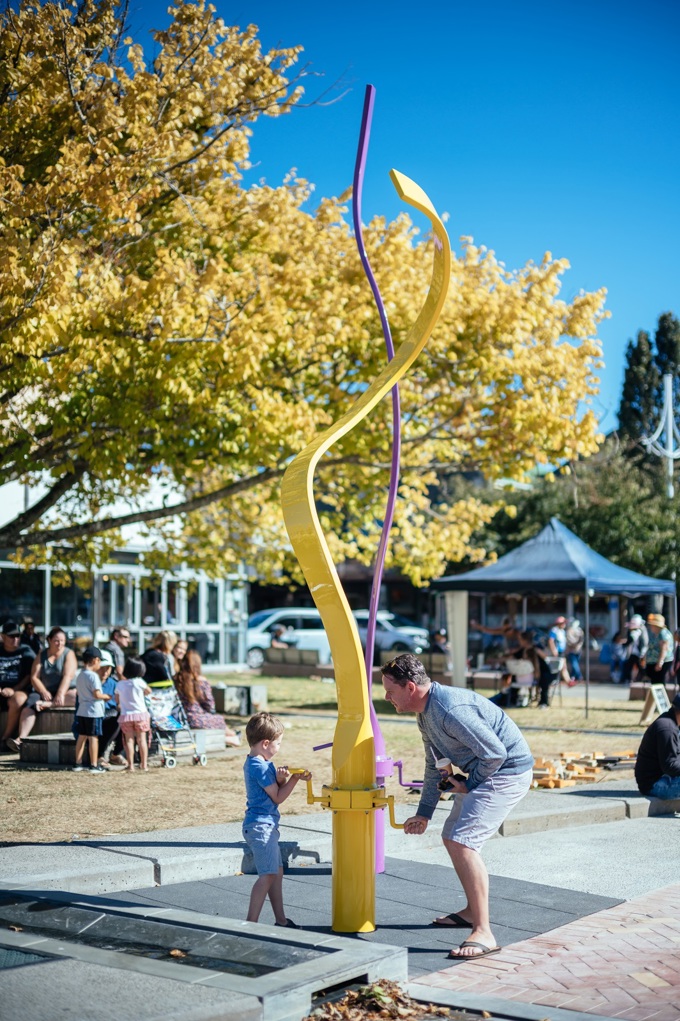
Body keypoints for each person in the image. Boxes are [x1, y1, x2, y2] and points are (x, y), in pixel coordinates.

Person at [381, 654, 533, 960]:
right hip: (489, 768)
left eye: (389, 690)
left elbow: (495, 754)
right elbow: (434, 764)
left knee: (462, 841)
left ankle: (484, 932)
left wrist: (469, 783)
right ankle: (470, 911)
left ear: (410, 687)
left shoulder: (450, 711)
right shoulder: (425, 713)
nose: (386, 697)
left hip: (506, 772)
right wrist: (424, 812)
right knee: (452, 834)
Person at [242, 711, 311, 927]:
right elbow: (278, 797)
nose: (278, 747)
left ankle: (281, 920)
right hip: (260, 827)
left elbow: (272, 791)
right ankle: (250, 924)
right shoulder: (259, 766)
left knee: (276, 873)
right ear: (265, 743)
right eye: (278, 743)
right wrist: (294, 780)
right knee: (268, 875)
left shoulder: (259, 763)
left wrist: (281, 778)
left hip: (264, 825)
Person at [8, 627, 78, 753]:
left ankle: (49, 705)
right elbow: (34, 676)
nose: (60, 644)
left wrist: (60, 694)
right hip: (44, 691)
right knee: (30, 705)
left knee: (75, 696)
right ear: (49, 640)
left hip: (64, 690)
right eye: (56, 640)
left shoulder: (69, 654)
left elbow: (68, 676)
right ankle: (20, 739)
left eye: (62, 641)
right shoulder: (42, 654)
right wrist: (43, 691)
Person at [174, 650, 240, 746]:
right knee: (219, 719)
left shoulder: (177, 679)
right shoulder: (200, 681)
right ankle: (232, 736)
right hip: (196, 719)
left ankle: (231, 736)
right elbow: (210, 705)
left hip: (180, 718)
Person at [635, 692, 680, 800]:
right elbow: (669, 766)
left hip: (665, 777)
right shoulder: (667, 729)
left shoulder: (673, 723)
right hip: (654, 784)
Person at [72, 646, 109, 773]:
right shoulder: (93, 676)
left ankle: (78, 763)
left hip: (82, 709)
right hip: (93, 710)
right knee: (94, 738)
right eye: (100, 661)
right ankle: (93, 765)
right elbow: (97, 695)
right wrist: (107, 696)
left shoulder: (80, 674)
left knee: (82, 737)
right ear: (95, 660)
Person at [0, 620, 36, 749]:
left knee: (18, 699)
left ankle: (5, 739)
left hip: (18, 690)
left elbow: (30, 675)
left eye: (17, 636)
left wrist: (13, 689)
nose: (15, 639)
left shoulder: (26, 651)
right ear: (2, 636)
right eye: (11, 636)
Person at [116, 656, 152, 772]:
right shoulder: (139, 682)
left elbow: (117, 699)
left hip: (126, 715)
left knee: (129, 741)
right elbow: (148, 691)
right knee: (142, 740)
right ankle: (144, 764)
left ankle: (131, 765)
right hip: (140, 714)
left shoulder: (120, 684)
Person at [97, 649, 127, 769]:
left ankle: (116, 754)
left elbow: (120, 704)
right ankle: (99, 756)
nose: (105, 671)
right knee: (116, 722)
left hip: (112, 715)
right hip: (94, 718)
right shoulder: (90, 681)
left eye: (108, 668)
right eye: (102, 667)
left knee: (127, 720)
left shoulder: (114, 683)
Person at [642, 613, 674, 687]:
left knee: (659, 683)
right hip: (654, 662)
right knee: (655, 683)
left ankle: (660, 698)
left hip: (660, 662)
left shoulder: (663, 633)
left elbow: (664, 649)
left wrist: (660, 662)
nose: (650, 627)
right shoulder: (657, 634)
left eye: (652, 625)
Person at [622, 614, 648, 685]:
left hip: (639, 652)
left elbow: (633, 639)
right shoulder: (632, 631)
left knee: (640, 666)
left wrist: (643, 653)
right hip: (633, 652)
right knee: (629, 665)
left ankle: (645, 677)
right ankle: (628, 679)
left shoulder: (640, 630)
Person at [565, 618, 584, 685]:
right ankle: (578, 676)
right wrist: (575, 645)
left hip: (577, 650)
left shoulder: (579, 630)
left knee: (575, 664)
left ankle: (574, 677)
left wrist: (577, 645)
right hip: (571, 650)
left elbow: (581, 640)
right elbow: (569, 640)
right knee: (574, 664)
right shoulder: (569, 630)